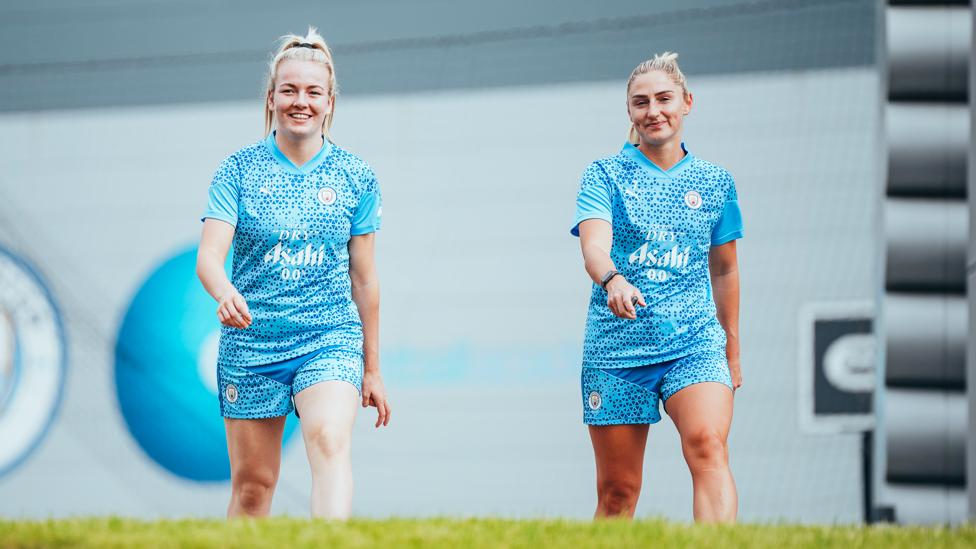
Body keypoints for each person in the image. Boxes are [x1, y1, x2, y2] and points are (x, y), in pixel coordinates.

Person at [196, 27, 390, 520]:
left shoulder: (356, 176)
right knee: (254, 489)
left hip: (328, 337)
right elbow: (210, 258)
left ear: (329, 102)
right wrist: (223, 292)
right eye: (289, 90)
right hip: (252, 342)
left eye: (312, 92)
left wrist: (371, 367)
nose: (299, 101)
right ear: (270, 98)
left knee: (328, 440)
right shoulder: (237, 171)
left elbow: (364, 280)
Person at [571, 52, 743, 523]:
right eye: (641, 102)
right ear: (629, 112)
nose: (654, 111)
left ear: (686, 103)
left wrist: (731, 346)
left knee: (709, 446)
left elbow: (725, 271)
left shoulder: (715, 183)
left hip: (694, 344)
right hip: (618, 351)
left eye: (664, 99)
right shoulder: (604, 175)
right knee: (618, 493)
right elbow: (594, 249)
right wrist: (613, 279)